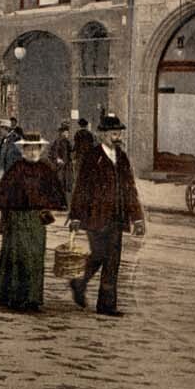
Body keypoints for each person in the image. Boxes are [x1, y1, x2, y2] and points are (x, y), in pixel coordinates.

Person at [67, 113, 146, 317]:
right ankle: (80, 281)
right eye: (113, 133)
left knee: (113, 260)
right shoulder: (93, 157)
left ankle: (106, 305)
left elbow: (130, 189)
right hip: (95, 216)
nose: (117, 136)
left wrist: (137, 218)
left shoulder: (121, 157)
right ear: (102, 135)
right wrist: (75, 216)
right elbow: (82, 187)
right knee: (101, 254)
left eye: (119, 133)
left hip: (117, 217)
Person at [0, 132, 67, 311]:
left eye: (36, 148)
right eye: (29, 148)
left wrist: (48, 206)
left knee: (36, 258)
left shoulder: (45, 169)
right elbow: (4, 193)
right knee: (19, 257)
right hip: (18, 219)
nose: (32, 152)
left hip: (37, 220)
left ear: (40, 149)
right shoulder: (16, 169)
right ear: (23, 150)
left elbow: (55, 193)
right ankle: (16, 297)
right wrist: (5, 219)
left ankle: (33, 298)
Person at [0, 121, 23, 188]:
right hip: (1, 167)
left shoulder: (15, 138)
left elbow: (14, 155)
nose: (1, 131)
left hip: (8, 168)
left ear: (6, 129)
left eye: (1, 129)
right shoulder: (4, 139)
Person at [48, 122, 74, 197]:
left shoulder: (68, 142)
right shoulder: (58, 141)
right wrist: (57, 159)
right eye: (65, 132)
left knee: (68, 184)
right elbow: (52, 153)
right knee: (60, 182)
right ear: (62, 133)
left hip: (67, 166)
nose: (67, 134)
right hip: (60, 166)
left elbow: (71, 151)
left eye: (67, 132)